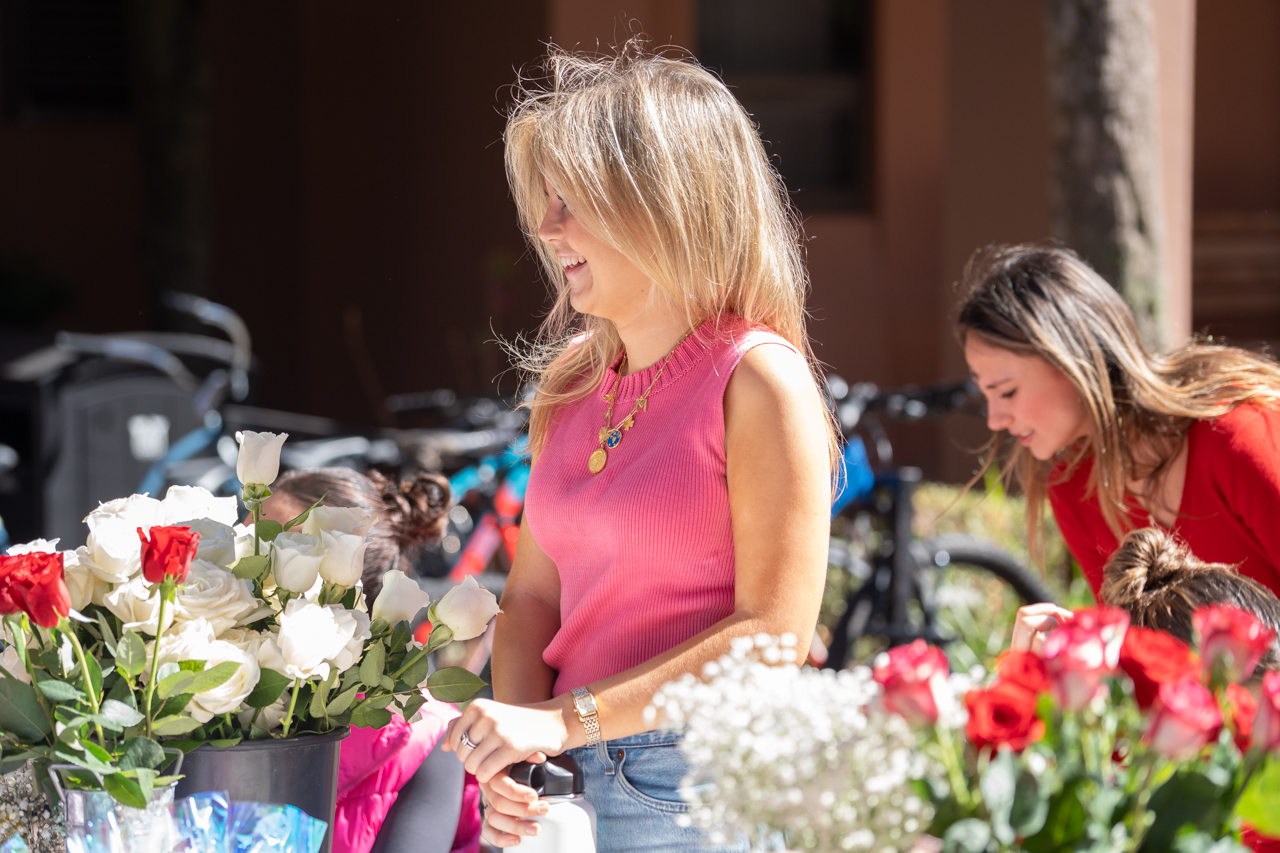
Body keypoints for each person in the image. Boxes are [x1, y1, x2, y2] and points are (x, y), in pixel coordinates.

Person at [439, 42, 835, 852]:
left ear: (664, 203)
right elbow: (530, 604)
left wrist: (553, 719)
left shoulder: (758, 378)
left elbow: (772, 638)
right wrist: (515, 762)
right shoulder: (572, 385)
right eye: (544, 203)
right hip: (566, 779)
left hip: (700, 783)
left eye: (571, 202)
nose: (547, 231)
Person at [958, 244, 1280, 601]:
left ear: (1073, 361)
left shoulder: (1236, 434)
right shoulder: (1073, 490)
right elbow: (1137, 650)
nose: (995, 420)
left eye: (1005, 392)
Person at [260, 467, 482, 853]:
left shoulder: (426, 738)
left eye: (277, 557)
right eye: (246, 539)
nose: (244, 567)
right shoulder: (197, 686)